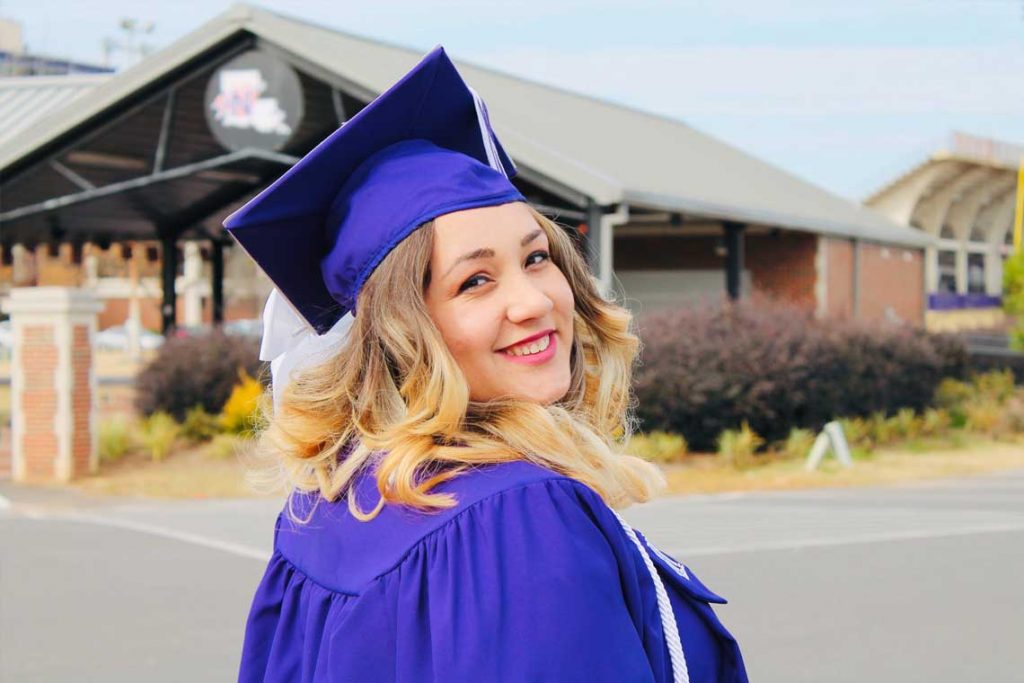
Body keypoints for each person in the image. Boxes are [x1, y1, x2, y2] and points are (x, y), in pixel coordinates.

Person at [228, 46, 748, 682]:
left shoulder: (327, 504)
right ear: (399, 331)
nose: (534, 302)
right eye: (474, 281)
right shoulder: (519, 516)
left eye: (535, 259)